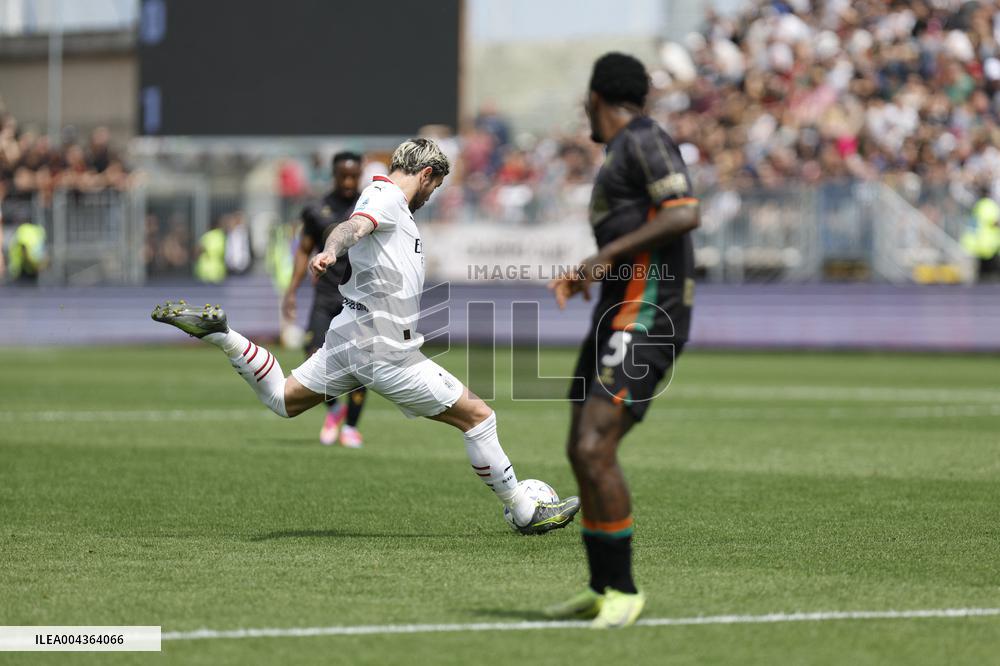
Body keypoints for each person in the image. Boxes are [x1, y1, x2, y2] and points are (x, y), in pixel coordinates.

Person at [152, 138, 581, 535]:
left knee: (282, 399)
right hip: (385, 350)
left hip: (348, 337)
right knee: (479, 417)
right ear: (427, 173)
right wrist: (331, 250)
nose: (431, 195)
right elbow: (351, 227)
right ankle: (526, 513)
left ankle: (224, 335)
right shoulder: (386, 197)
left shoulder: (387, 200)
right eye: (435, 185)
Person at [545, 53, 700, 628]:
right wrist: (597, 271)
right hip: (618, 309)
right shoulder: (620, 152)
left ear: (595, 97)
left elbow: (684, 211)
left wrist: (601, 257)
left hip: (649, 313)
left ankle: (626, 591)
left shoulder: (643, 138)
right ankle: (600, 586)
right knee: (579, 446)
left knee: (594, 446)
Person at [282, 152, 368, 446]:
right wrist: (292, 290)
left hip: (358, 297)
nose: (348, 181)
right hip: (325, 295)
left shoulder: (369, 207)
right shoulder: (317, 210)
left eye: (353, 175)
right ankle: (335, 409)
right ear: (333, 175)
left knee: (360, 363)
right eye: (342, 175)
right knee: (312, 357)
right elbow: (304, 250)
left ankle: (351, 427)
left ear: (360, 174)